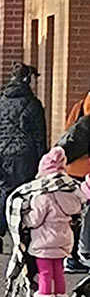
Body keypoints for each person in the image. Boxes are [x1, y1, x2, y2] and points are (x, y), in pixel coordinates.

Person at [21, 147, 88, 297]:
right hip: (63, 241)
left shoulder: (43, 196)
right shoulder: (71, 195)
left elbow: (34, 220)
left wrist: (25, 219)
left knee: (44, 272)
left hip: (44, 242)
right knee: (58, 271)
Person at [0, 62, 46, 254]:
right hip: (25, 155)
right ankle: (21, 237)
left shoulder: (0, 102)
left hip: (3, 153)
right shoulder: (32, 104)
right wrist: (42, 162)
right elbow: (39, 136)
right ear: (27, 79)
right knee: (26, 196)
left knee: (5, 194)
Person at [57, 96, 90, 273]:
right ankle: (77, 255)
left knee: (75, 217)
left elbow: (67, 132)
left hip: (73, 170)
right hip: (86, 173)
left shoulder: (78, 107)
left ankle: (71, 256)